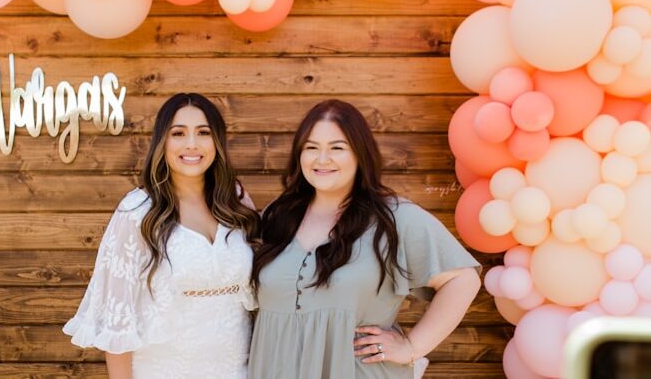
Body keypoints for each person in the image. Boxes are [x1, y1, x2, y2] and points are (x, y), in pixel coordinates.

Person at [249, 99, 481, 379]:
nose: (322, 160)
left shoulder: (394, 218)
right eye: (311, 148)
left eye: (337, 148)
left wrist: (411, 347)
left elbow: (463, 280)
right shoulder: (278, 215)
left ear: (360, 154)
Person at [64, 93, 259, 379]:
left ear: (217, 141)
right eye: (178, 133)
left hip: (239, 371)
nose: (192, 143)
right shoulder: (137, 212)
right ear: (162, 142)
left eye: (203, 133)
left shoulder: (236, 201)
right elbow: (117, 324)